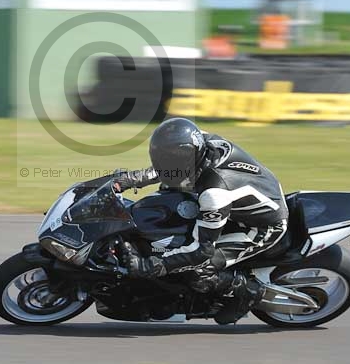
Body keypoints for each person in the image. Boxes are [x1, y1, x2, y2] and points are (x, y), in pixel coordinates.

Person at [113, 117, 289, 324]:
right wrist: (130, 180)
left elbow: (201, 251)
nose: (164, 165)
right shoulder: (201, 140)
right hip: (247, 196)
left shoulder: (214, 193)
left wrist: (153, 265)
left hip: (262, 226)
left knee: (197, 271)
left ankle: (248, 293)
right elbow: (169, 167)